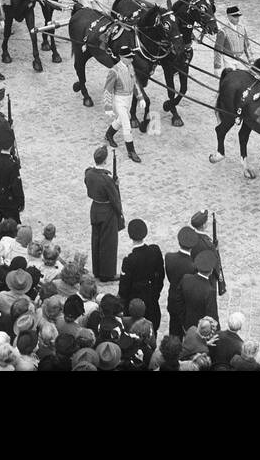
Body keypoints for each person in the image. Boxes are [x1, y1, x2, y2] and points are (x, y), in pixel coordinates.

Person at [84, 145, 123, 282]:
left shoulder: (88, 173)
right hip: (107, 211)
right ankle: (107, 274)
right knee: (108, 243)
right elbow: (114, 198)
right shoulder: (107, 179)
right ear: (105, 161)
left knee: (96, 240)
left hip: (95, 208)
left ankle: (97, 270)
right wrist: (116, 184)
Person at [118, 219, 165, 333]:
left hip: (135, 301)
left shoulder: (129, 260)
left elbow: (124, 288)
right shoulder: (155, 251)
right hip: (152, 297)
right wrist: (155, 293)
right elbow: (161, 276)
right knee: (153, 328)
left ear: (130, 236)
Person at [102, 40, 141, 163]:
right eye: (129, 58)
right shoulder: (114, 71)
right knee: (126, 124)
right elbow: (107, 90)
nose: (131, 59)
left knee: (122, 119)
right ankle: (131, 151)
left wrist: (140, 97)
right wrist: (108, 107)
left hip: (128, 99)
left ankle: (109, 134)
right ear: (122, 58)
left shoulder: (130, 67)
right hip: (119, 100)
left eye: (131, 57)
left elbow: (134, 83)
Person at [163, 227, 198, 341]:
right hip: (186, 304)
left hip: (173, 299)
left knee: (173, 329)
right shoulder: (193, 266)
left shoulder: (169, 257)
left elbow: (169, 276)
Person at [0, 127, 24, 222]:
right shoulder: (12, 165)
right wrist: (20, 202)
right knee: (13, 223)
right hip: (9, 201)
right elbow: (16, 186)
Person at [180, 251, 220, 329]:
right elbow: (212, 316)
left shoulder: (186, 278)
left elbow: (179, 302)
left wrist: (183, 322)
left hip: (186, 324)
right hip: (201, 329)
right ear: (211, 271)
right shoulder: (210, 291)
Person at [213, 4, 251, 70]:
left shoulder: (242, 28)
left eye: (238, 17)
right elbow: (218, 49)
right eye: (235, 17)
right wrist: (217, 65)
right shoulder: (223, 31)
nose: (237, 19)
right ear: (229, 17)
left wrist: (251, 59)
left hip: (241, 58)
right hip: (229, 60)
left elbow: (246, 45)